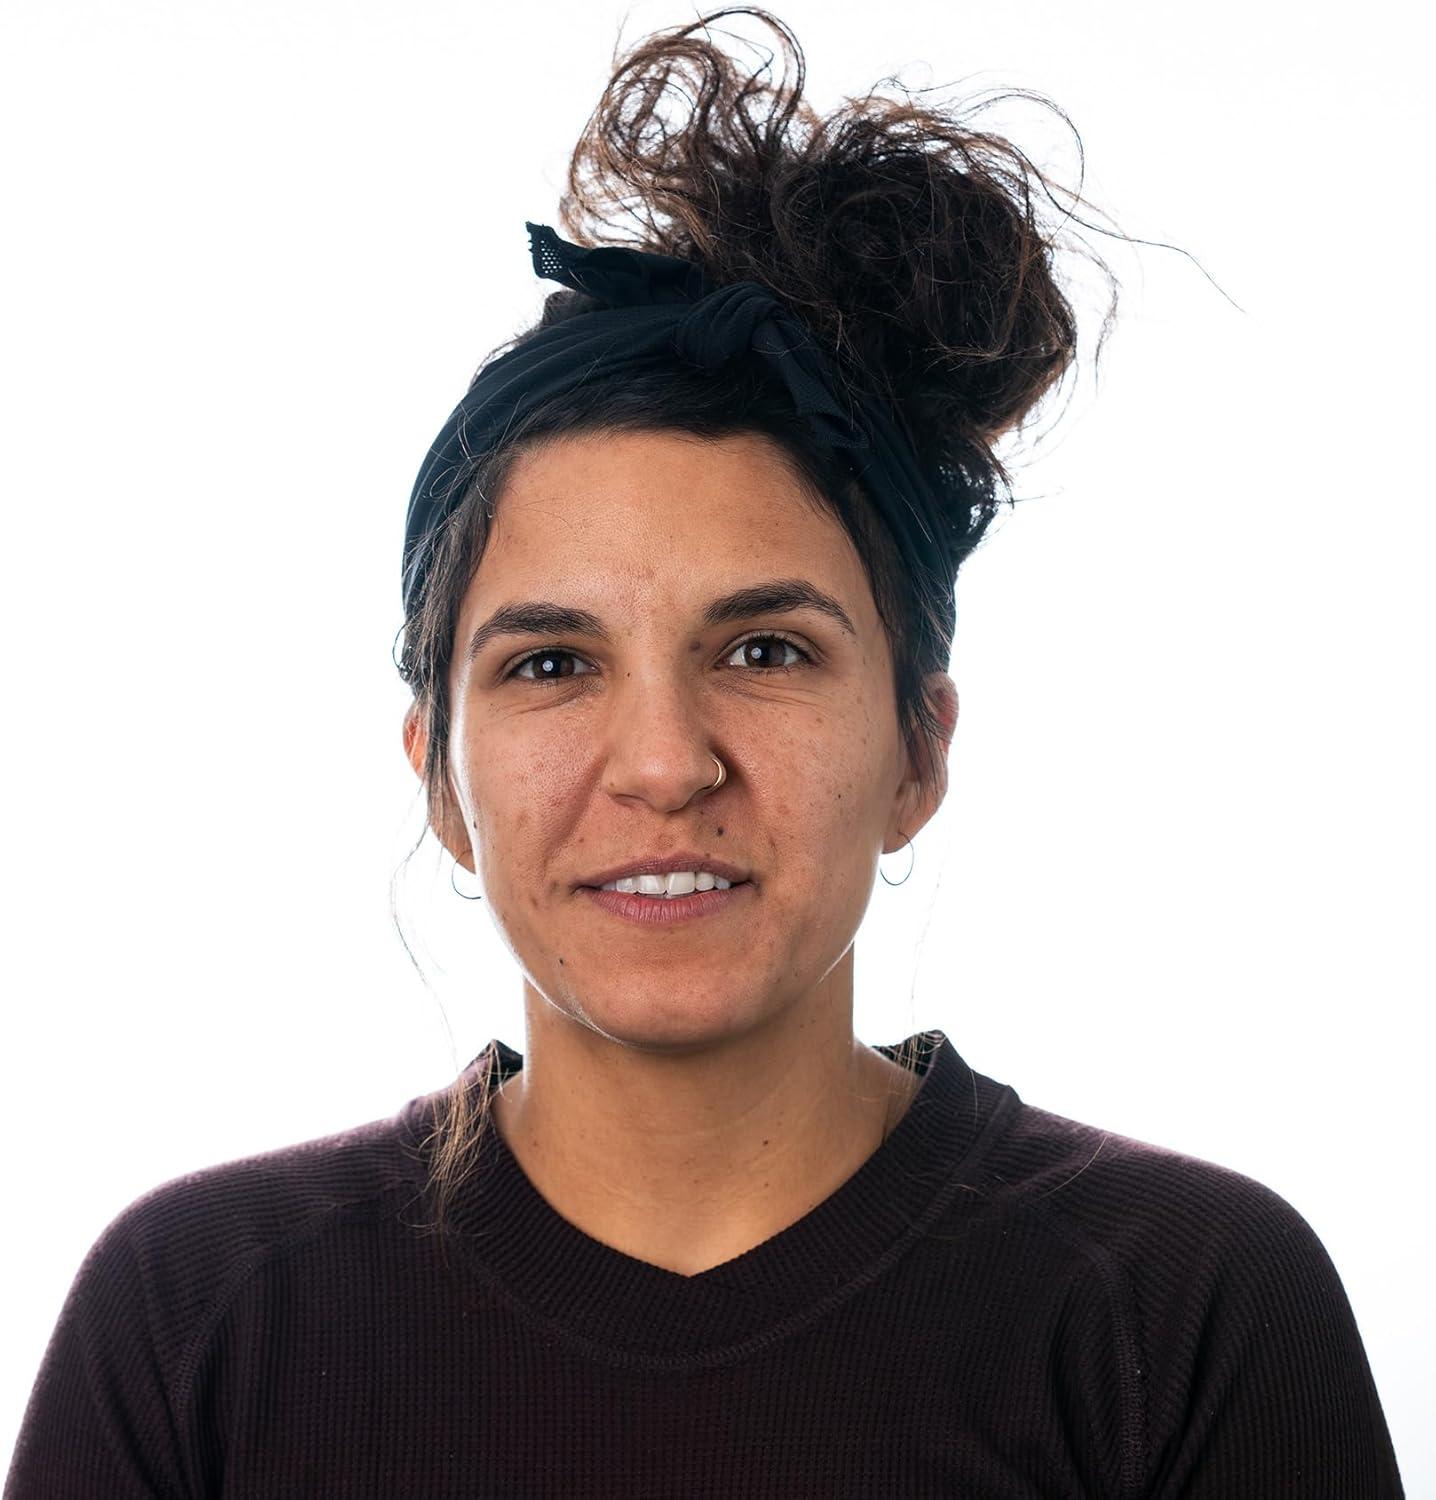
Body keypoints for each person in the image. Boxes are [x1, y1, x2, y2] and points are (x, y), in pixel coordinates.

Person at [5, 8, 1405, 1496]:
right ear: (441, 779)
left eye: (765, 651)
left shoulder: (1183, 1309)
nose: (666, 766)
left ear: (918, 750)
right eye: (552, 664)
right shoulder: (198, 1319)